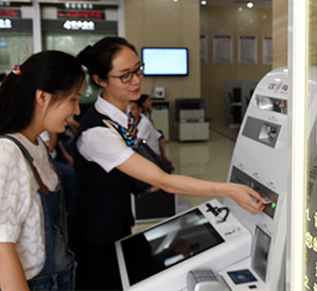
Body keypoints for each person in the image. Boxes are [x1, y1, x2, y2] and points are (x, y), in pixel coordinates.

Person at [70, 37, 265, 290]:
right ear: (99, 80)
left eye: (138, 69)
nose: (137, 79)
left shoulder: (120, 118)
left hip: (116, 225)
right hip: (94, 238)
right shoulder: (97, 132)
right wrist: (229, 189)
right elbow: (165, 182)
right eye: (125, 75)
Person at [0, 51, 85, 290]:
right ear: (43, 97)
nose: (77, 110)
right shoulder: (4, 154)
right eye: (73, 99)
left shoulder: (36, 146)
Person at [129, 95, 174, 171]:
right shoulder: (131, 121)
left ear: (140, 110)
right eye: (128, 109)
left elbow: (135, 143)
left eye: (133, 109)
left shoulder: (144, 122)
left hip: (152, 157)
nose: (130, 112)